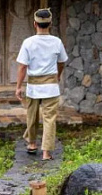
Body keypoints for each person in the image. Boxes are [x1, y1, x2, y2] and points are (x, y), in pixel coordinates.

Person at [15, 8, 68, 161]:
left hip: (33, 86)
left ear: (34, 24)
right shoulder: (57, 42)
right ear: (50, 24)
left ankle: (32, 143)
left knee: (31, 116)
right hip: (51, 87)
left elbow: (22, 67)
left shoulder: (28, 42)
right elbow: (61, 62)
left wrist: (18, 87)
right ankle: (46, 153)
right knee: (49, 119)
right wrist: (58, 75)